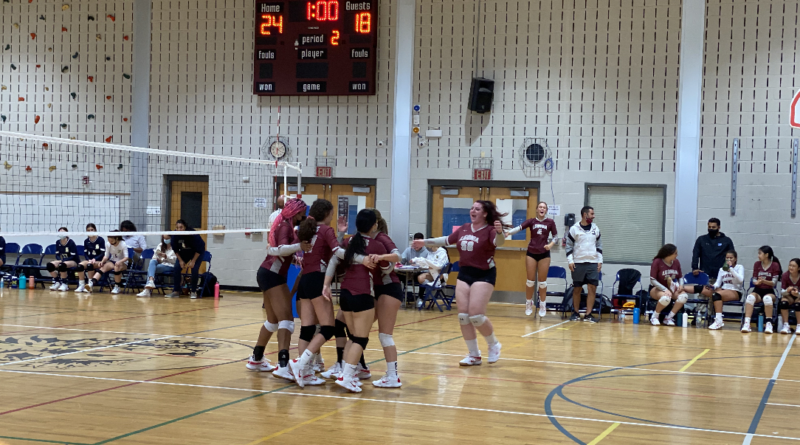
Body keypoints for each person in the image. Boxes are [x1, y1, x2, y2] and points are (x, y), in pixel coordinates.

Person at [414, 200, 506, 366]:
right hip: (465, 273)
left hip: (484, 274)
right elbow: (446, 240)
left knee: (476, 316)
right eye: (472, 208)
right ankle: (474, 355)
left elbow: (499, 243)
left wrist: (500, 233)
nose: (473, 210)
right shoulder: (463, 228)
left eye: (477, 209)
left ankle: (494, 344)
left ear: (485, 213)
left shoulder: (491, 230)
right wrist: (424, 242)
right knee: (463, 316)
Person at [287, 199, 354, 387]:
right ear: (326, 214)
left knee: (307, 329)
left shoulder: (306, 229)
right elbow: (336, 251)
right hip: (318, 279)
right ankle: (300, 363)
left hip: (305, 280)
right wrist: (357, 258)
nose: (332, 217)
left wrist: (340, 233)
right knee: (328, 328)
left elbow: (324, 249)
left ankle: (306, 373)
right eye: (331, 214)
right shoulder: (325, 229)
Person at [322, 209, 386, 393]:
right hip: (363, 293)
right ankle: (347, 376)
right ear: (374, 225)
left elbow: (334, 259)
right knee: (360, 338)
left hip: (345, 293)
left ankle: (345, 372)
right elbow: (388, 269)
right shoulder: (376, 245)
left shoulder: (348, 241)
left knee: (353, 337)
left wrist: (326, 284)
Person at [248, 198, 306, 380]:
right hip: (272, 274)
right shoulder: (285, 226)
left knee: (273, 321)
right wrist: (300, 246)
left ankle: (256, 358)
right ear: (296, 212)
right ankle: (282, 365)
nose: (303, 216)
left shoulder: (285, 224)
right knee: (287, 320)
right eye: (302, 213)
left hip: (268, 273)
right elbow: (281, 249)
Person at [368, 208, 404, 388]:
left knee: (385, 335)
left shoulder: (381, 238)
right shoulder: (367, 240)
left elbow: (398, 255)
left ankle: (393, 376)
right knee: (359, 330)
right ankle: (357, 366)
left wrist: (381, 257)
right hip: (377, 290)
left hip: (390, 288)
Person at [505, 201, 558, 317]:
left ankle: (543, 304)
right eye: (540, 207)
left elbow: (556, 236)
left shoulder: (550, 222)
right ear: (537, 209)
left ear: (546, 210)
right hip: (531, 253)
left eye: (544, 207)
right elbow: (519, 228)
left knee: (542, 282)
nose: (542, 209)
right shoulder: (531, 221)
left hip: (544, 254)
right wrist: (508, 233)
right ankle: (529, 303)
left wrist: (550, 245)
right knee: (530, 281)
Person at [565, 206, 602, 323]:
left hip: (592, 263)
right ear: (585, 215)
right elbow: (568, 246)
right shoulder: (574, 229)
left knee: (592, 288)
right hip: (578, 263)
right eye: (592, 214)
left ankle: (588, 314)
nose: (593, 216)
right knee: (577, 289)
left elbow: (599, 246)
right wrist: (570, 260)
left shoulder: (596, 229)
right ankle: (575, 313)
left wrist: (600, 261)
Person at [742, 246, 782, 334]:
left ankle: (768, 324)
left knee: (767, 299)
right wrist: (756, 282)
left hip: (769, 291)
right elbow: (754, 279)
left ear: (766, 255)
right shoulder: (757, 264)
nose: (758, 255)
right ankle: (747, 323)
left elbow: (773, 283)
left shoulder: (775, 265)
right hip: (758, 290)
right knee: (750, 298)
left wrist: (764, 281)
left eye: (760, 253)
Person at [648, 244, 688, 326]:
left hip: (672, 288)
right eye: (675, 253)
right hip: (657, 288)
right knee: (666, 298)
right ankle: (655, 317)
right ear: (668, 254)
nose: (677, 255)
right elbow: (653, 280)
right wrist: (664, 289)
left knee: (683, 297)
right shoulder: (657, 262)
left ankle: (669, 317)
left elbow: (680, 277)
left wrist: (681, 285)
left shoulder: (676, 262)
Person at [167, 220, 206, 299]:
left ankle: (193, 291)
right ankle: (176, 291)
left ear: (185, 227)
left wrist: (193, 261)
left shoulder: (192, 234)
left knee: (194, 269)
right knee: (177, 268)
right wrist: (181, 261)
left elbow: (200, 248)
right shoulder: (175, 235)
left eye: (181, 227)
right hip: (184, 252)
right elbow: (175, 249)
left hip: (197, 252)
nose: (179, 229)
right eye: (177, 228)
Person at [708, 250, 745, 330]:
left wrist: (731, 269)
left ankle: (718, 321)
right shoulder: (722, 269)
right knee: (707, 291)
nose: (728, 260)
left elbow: (740, 280)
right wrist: (713, 286)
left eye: (731, 258)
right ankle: (718, 320)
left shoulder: (739, 267)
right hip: (724, 290)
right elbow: (718, 283)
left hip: (735, 291)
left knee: (716, 295)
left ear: (735, 259)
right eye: (727, 258)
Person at [691, 218, 735, 284]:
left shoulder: (726, 241)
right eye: (709, 227)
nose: (711, 229)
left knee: (719, 294)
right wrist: (695, 268)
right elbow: (695, 254)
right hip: (705, 274)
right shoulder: (701, 240)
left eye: (713, 227)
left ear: (719, 227)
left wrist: (729, 269)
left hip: (721, 275)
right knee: (704, 293)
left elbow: (731, 257)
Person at [47, 227, 80, 292]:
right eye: (60, 232)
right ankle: (57, 281)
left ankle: (65, 284)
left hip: (74, 261)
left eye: (63, 232)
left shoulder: (71, 242)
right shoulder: (57, 242)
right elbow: (57, 255)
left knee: (62, 265)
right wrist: (60, 260)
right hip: (63, 261)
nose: (61, 234)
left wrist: (63, 261)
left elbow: (73, 256)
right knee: (49, 265)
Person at [75, 223, 106, 293]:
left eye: (92, 230)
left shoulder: (101, 240)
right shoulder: (86, 241)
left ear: (95, 230)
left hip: (98, 260)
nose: (90, 231)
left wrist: (94, 259)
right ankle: (82, 285)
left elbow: (102, 253)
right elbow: (85, 253)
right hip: (89, 259)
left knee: (90, 265)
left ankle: (89, 286)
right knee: (79, 266)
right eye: (88, 230)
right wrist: (89, 259)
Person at [779, 258, 800, 334]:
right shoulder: (785, 275)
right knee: (783, 302)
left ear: (799, 268)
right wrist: (787, 291)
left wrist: (797, 294)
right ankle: (786, 325)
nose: (791, 267)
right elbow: (782, 292)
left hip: (798, 297)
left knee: (798, 304)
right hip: (789, 296)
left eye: (794, 266)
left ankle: (799, 325)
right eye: (790, 265)